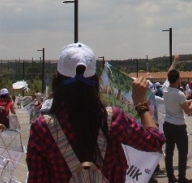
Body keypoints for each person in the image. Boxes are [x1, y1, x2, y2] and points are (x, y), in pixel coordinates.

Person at [26, 42, 165, 182]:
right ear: (95, 81)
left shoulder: (42, 128)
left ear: (57, 81)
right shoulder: (114, 119)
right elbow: (155, 141)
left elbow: (36, 179)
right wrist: (141, 104)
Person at [162, 54, 192, 183]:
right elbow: (187, 110)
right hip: (179, 125)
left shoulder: (165, 89)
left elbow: (169, 72)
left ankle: (171, 177)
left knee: (169, 152)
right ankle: (182, 177)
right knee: (182, 152)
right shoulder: (179, 94)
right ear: (177, 80)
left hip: (167, 123)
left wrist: (175, 62)